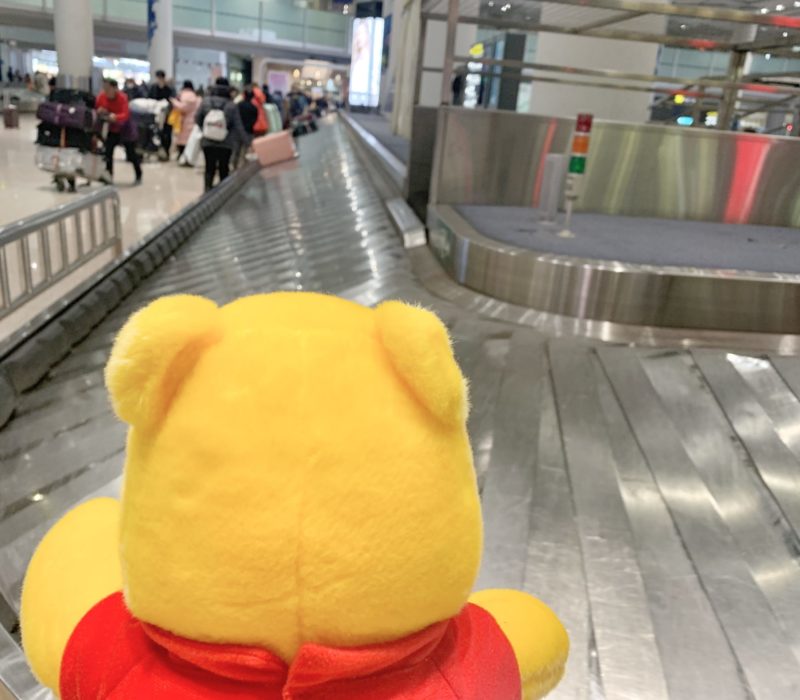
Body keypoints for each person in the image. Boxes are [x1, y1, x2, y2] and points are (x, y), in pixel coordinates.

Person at [195, 77, 250, 192]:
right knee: (223, 169)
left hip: (208, 142)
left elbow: (197, 118)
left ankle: (206, 193)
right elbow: (238, 126)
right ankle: (221, 195)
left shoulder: (206, 102)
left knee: (209, 168)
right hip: (226, 143)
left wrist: (205, 129)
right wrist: (248, 142)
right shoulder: (231, 105)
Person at [95, 78, 142, 185]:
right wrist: (100, 112)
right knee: (108, 152)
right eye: (104, 88)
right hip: (111, 129)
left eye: (108, 88)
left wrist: (115, 117)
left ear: (115, 88)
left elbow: (125, 114)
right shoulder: (101, 97)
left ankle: (138, 173)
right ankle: (109, 176)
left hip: (125, 129)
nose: (106, 91)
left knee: (131, 153)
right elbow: (97, 108)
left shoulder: (122, 98)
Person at [170, 79, 200, 159]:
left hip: (182, 120)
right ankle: (187, 156)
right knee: (189, 139)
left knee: (181, 139)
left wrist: (174, 102)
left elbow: (182, 107)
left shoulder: (183, 94)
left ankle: (182, 155)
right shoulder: (194, 95)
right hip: (193, 120)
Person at [148, 69, 175, 159]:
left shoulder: (169, 88)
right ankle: (157, 151)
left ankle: (166, 151)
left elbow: (172, 100)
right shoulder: (153, 87)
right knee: (155, 133)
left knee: (167, 134)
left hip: (167, 115)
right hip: (155, 114)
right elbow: (149, 98)